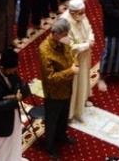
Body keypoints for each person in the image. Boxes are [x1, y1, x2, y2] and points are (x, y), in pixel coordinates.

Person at [38, 19, 79, 159]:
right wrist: (71, 72)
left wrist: (75, 62)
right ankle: (49, 147)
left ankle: (62, 136)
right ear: (55, 34)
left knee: (64, 115)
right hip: (54, 92)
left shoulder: (64, 40)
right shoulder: (44, 50)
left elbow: (70, 54)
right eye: (64, 34)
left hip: (67, 86)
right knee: (52, 120)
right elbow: (50, 77)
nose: (67, 37)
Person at [0, 48, 31, 161]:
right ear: (3, 68)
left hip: (13, 114)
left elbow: (22, 87)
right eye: (12, 71)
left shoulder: (10, 70)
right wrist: (15, 99)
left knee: (15, 143)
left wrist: (14, 96)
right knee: (0, 152)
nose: (14, 73)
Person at [59, 0, 94, 122]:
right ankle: (71, 112)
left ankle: (83, 100)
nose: (83, 15)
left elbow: (89, 28)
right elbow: (69, 47)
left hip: (85, 55)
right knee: (74, 85)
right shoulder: (64, 24)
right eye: (80, 13)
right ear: (72, 12)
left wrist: (90, 39)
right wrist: (85, 45)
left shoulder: (80, 15)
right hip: (73, 60)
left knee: (84, 78)